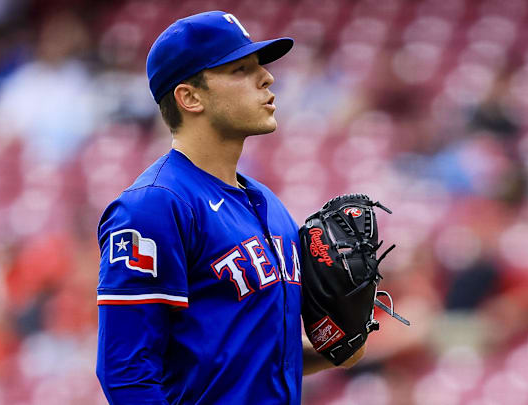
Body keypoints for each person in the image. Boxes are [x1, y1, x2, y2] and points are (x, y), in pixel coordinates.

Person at [96, 11, 365, 404]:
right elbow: (125, 372)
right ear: (189, 97)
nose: (267, 78)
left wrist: (335, 350)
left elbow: (249, 360)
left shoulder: (269, 204)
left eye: (260, 66)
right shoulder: (154, 206)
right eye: (241, 69)